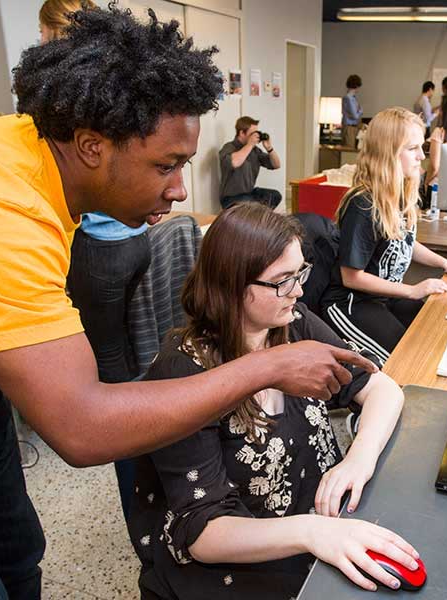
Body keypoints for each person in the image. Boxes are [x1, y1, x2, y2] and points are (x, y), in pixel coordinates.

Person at [0, 8, 375, 600]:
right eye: (166, 165)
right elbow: (81, 431)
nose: (181, 188)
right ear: (90, 146)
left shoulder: (37, 158)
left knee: (16, 555)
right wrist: (266, 366)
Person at [130, 202, 415, 599]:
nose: (298, 291)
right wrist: (312, 533)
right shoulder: (183, 371)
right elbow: (203, 533)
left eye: (301, 273)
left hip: (315, 533)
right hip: (241, 561)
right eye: (283, 280)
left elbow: (382, 388)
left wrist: (358, 460)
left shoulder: (292, 322)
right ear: (232, 284)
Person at [38, 0, 147, 523]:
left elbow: (79, 427)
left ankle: (139, 504)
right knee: (126, 366)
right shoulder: (118, 89)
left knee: (108, 380)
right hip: (134, 241)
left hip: (101, 248)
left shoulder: (59, 104)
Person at [320, 108, 447, 362]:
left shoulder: (396, 194)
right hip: (351, 303)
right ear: (389, 153)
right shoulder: (363, 204)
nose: (421, 156)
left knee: (433, 327)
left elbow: (405, 241)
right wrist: (412, 290)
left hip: (386, 296)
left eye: (421, 147)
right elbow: (351, 277)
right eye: (412, 148)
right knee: (404, 360)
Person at [219, 116, 281, 210]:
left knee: (275, 195)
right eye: (253, 133)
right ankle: (255, 219)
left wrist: (269, 148)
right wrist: (250, 144)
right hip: (231, 198)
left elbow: (276, 165)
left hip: (249, 193)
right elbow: (235, 162)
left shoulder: (255, 150)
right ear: (242, 133)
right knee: (251, 204)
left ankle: (258, 219)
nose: (256, 136)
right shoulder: (229, 147)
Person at [342, 74, 363, 147]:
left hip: (355, 127)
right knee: (349, 150)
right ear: (356, 86)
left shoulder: (353, 98)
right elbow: (355, 116)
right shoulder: (348, 98)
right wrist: (360, 110)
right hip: (350, 128)